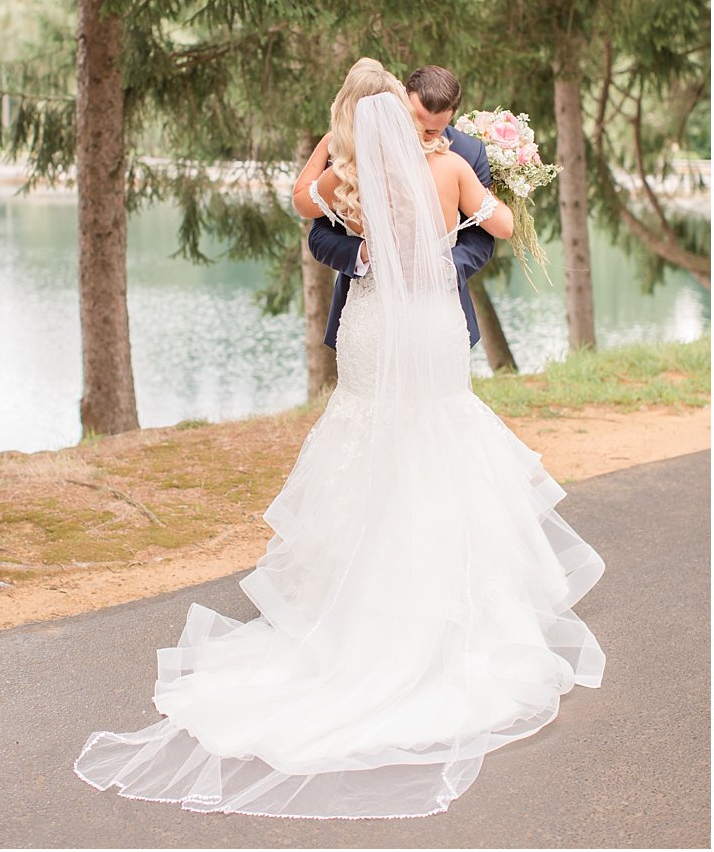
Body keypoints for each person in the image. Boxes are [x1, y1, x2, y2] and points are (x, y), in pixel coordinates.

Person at [74, 59, 605, 819]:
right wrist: (465, 215)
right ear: (407, 114)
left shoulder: (344, 177)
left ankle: (358, 608)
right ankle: (446, 606)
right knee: (438, 437)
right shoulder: (452, 168)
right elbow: (504, 226)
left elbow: (303, 201)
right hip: (421, 328)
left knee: (371, 439)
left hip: (378, 322)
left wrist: (350, 177)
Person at [308, 64, 495, 352]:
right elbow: (319, 234)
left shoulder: (467, 153)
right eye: (417, 122)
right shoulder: (350, 148)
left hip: (439, 313)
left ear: (452, 115)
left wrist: (443, 267)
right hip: (367, 314)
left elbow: (481, 235)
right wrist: (363, 254)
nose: (424, 135)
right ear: (401, 100)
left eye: (434, 129)